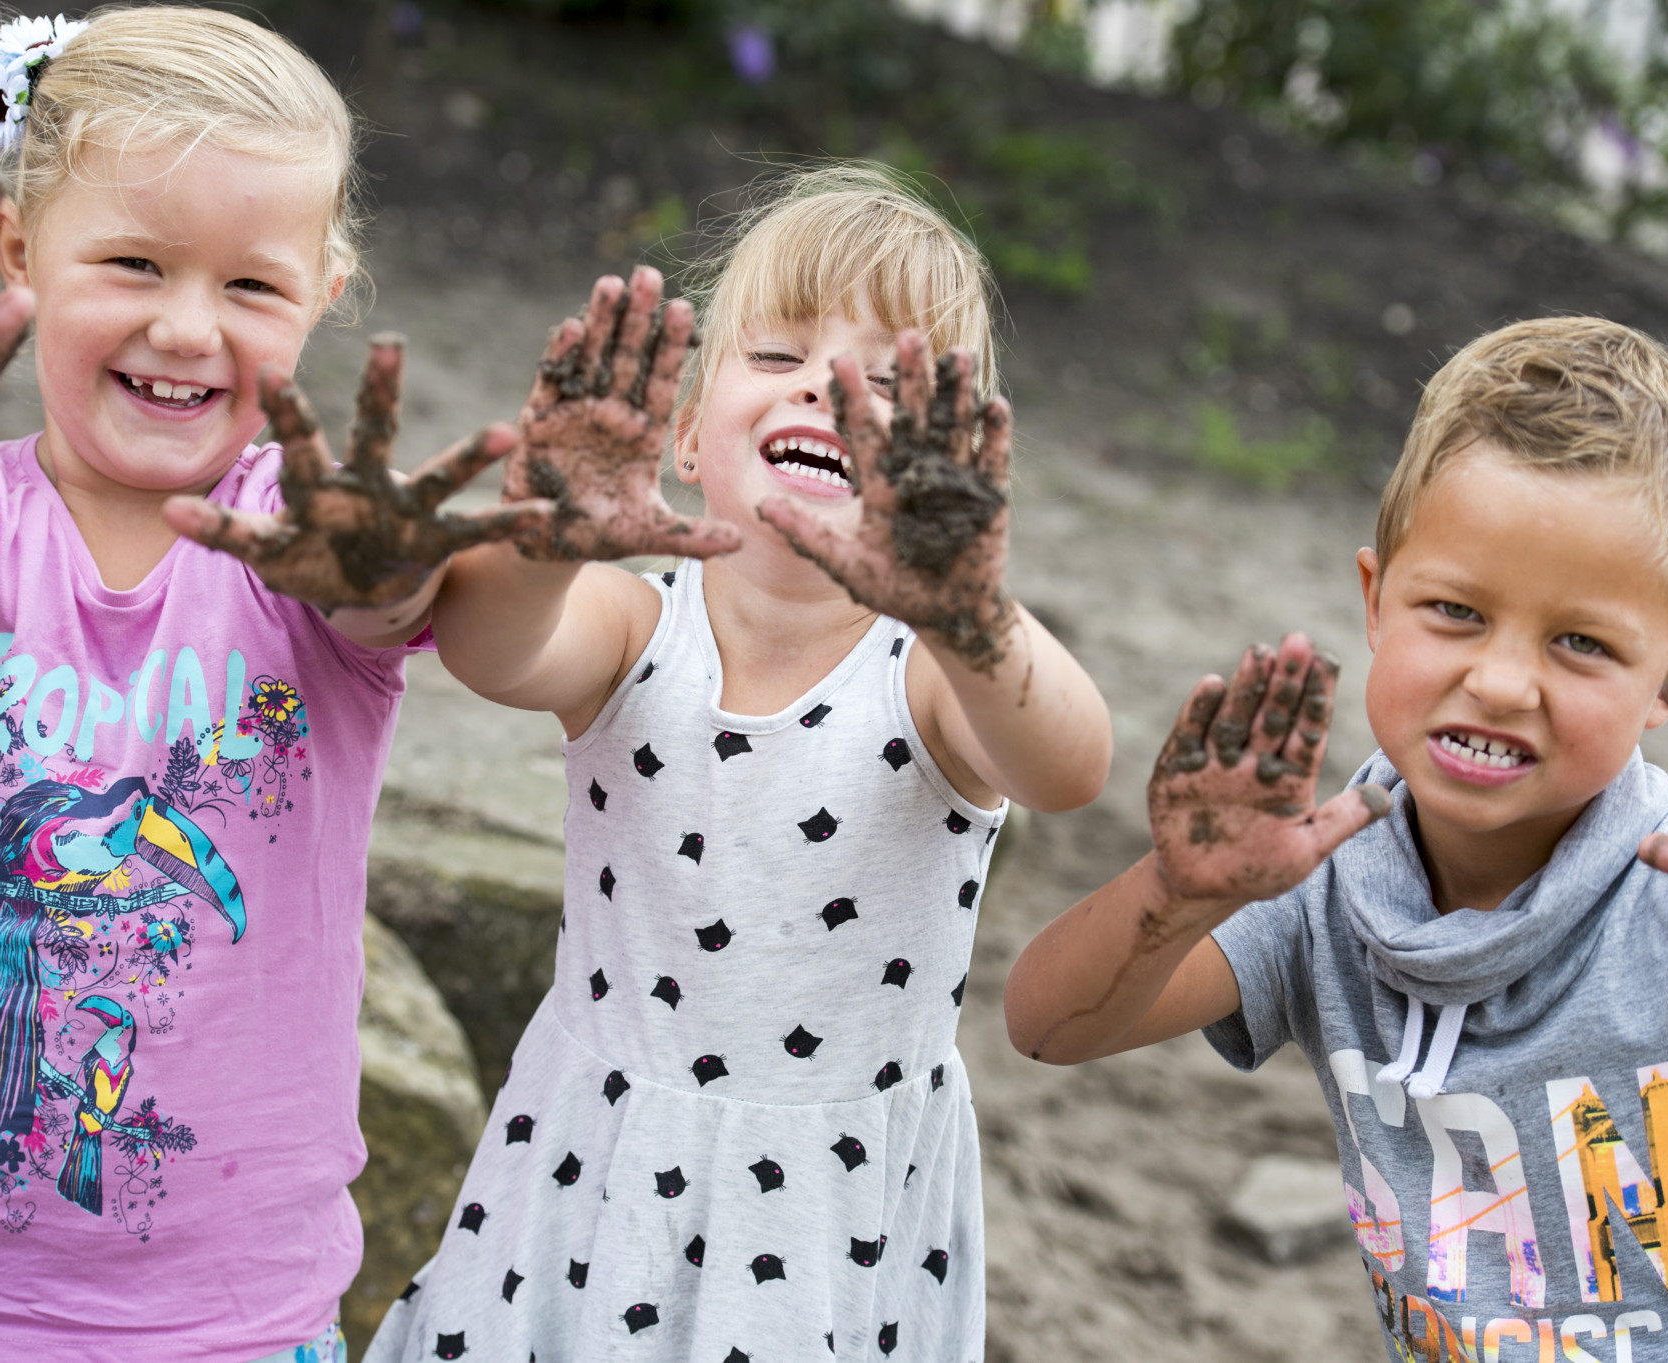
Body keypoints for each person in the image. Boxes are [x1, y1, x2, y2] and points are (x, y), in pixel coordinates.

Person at [0, 10, 559, 1361]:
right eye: (134, 261)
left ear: (325, 292)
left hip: (234, 1324)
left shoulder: (307, 547)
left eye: (252, 288)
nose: (187, 325)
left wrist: (408, 561)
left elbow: (394, 599)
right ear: (23, 253)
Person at [363, 166, 1112, 1362]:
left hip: (822, 1211)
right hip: (587, 1168)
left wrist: (977, 616)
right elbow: (492, 649)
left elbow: (1066, 762)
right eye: (777, 354)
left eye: (888, 385)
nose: (828, 387)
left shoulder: (928, 671)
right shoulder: (628, 624)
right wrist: (547, 542)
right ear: (680, 435)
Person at [1003, 317, 1668, 1359]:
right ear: (1374, 600)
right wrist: (1181, 891)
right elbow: (1046, 1025)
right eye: (1453, 610)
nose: (1497, 682)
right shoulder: (1312, 880)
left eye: (1579, 642)